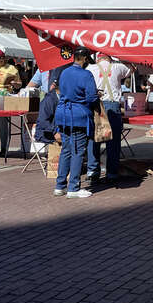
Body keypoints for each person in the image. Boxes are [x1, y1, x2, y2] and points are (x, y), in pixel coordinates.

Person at [54, 46, 99, 198]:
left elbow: (62, 90)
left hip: (62, 114)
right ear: (85, 59)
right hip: (78, 116)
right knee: (78, 151)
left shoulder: (64, 72)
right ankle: (73, 187)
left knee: (66, 150)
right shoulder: (86, 74)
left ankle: (60, 186)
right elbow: (92, 97)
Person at [87, 53, 134, 182]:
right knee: (113, 141)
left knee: (93, 139)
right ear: (110, 58)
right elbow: (132, 68)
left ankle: (92, 171)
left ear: (97, 58)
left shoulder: (90, 68)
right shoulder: (117, 67)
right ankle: (111, 173)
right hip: (112, 105)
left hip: (96, 105)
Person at [35, 79, 62, 145]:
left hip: (58, 130)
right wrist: (54, 132)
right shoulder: (49, 100)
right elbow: (42, 121)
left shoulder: (62, 98)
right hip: (46, 133)